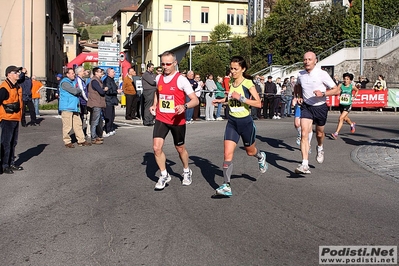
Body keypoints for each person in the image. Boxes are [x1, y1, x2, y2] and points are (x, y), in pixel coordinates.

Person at [212, 56, 268, 197]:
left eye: (236, 69)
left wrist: (241, 98)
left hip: (246, 123)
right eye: (231, 68)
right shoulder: (231, 82)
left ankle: (261, 157)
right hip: (232, 122)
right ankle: (226, 185)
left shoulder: (248, 83)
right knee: (227, 154)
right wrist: (221, 101)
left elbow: (258, 103)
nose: (232, 71)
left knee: (250, 152)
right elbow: (231, 97)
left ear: (243, 69)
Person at [149, 51, 199, 190]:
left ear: (175, 63)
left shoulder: (181, 80)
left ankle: (186, 171)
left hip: (177, 120)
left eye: (168, 64)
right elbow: (157, 92)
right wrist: (154, 104)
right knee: (156, 148)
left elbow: (195, 100)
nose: (165, 67)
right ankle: (164, 174)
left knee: (180, 148)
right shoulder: (158, 78)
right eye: (163, 64)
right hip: (161, 118)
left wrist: (184, 106)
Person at [294, 51, 340, 174]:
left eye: (309, 59)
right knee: (304, 133)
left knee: (319, 134)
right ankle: (304, 164)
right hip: (306, 107)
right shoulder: (301, 74)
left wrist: (323, 94)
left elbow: (336, 90)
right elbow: (297, 86)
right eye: (305, 59)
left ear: (315, 61)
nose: (306, 62)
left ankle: (320, 147)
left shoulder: (322, 74)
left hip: (320, 108)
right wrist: (297, 96)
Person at [0, 66, 25, 174]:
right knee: (6, 143)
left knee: (13, 143)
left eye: (18, 72)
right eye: (15, 72)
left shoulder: (17, 86)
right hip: (7, 118)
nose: (18, 74)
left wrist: (22, 117)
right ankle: (4, 165)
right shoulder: (4, 87)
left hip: (15, 118)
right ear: (9, 74)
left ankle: (11, 163)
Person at [58, 68, 91, 148]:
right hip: (67, 107)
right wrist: (79, 90)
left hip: (74, 107)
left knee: (78, 124)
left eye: (73, 73)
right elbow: (75, 91)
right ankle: (67, 141)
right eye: (72, 73)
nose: (74, 74)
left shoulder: (73, 82)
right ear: (67, 74)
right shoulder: (65, 82)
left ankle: (81, 140)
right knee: (67, 126)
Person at [331, 72, 359, 140]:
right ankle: (352, 124)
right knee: (345, 118)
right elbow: (336, 91)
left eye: (347, 79)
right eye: (344, 79)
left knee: (341, 118)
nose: (345, 80)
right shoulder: (341, 85)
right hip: (341, 104)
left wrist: (355, 96)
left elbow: (357, 90)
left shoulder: (351, 86)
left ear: (350, 80)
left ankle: (336, 133)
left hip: (348, 105)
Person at [87, 67, 108, 144]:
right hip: (95, 103)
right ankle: (93, 138)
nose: (101, 73)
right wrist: (104, 89)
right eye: (100, 72)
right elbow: (101, 92)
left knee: (98, 121)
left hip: (97, 103)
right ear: (96, 73)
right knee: (95, 121)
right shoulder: (95, 81)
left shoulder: (98, 81)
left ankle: (96, 136)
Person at [103, 68, 121, 136]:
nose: (114, 73)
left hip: (112, 100)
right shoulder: (107, 80)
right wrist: (116, 91)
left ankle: (110, 128)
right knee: (108, 116)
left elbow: (113, 88)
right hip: (108, 100)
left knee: (112, 116)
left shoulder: (112, 80)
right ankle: (107, 130)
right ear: (109, 73)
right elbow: (107, 91)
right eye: (113, 72)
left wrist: (117, 90)